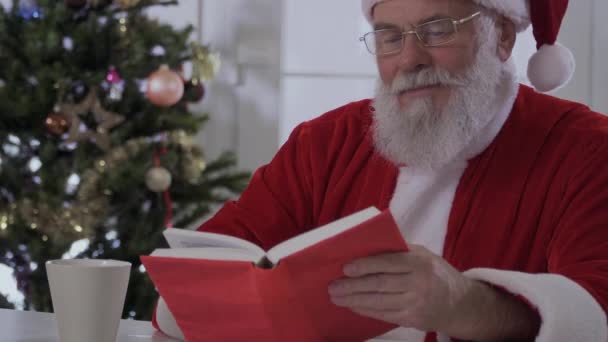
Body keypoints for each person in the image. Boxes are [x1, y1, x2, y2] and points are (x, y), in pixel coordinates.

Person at [154, 0, 608, 340]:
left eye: (436, 30)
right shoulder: (324, 143)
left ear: (502, 35)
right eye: (390, 37)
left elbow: (598, 313)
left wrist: (466, 305)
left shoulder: (588, 150)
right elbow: (206, 269)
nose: (409, 59)